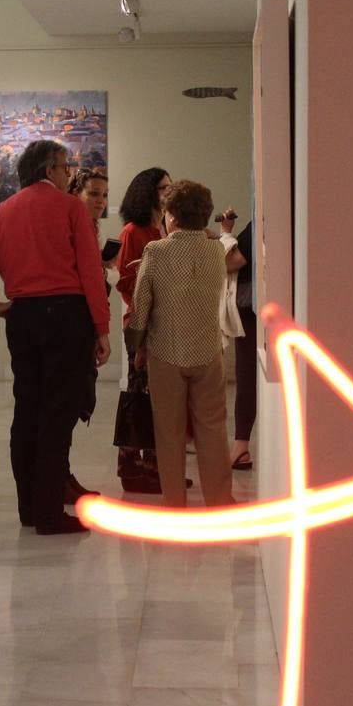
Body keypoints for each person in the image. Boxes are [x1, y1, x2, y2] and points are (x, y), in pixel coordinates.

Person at [0, 140, 111, 535]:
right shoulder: (71, 208)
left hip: (23, 317)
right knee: (57, 415)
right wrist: (102, 328)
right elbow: (90, 273)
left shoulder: (2, 211)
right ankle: (48, 513)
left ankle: (29, 507)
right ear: (49, 170)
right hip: (66, 316)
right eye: (65, 167)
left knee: (26, 412)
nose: (68, 174)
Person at [126, 180, 236, 509]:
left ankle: (175, 501)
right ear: (205, 215)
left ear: (170, 214)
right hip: (207, 351)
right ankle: (219, 499)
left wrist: (137, 346)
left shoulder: (156, 251)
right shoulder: (216, 250)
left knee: (169, 433)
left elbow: (141, 306)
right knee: (213, 428)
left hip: (166, 352)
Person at [113, 167, 171, 492]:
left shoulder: (161, 227)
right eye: (163, 187)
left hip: (161, 323)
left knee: (157, 399)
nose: (167, 192)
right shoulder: (133, 232)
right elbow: (125, 280)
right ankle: (135, 469)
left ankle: (155, 466)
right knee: (139, 398)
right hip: (140, 323)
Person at [62, 168, 112, 504]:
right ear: (76, 193)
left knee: (73, 402)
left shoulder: (90, 228)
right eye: (93, 193)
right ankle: (59, 476)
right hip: (72, 322)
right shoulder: (71, 227)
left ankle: (62, 475)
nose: (100, 201)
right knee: (66, 404)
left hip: (83, 322)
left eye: (104, 195)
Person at [227, 219, 257, 470]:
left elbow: (233, 261)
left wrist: (225, 234)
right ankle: (240, 447)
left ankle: (240, 446)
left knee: (246, 375)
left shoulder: (258, 223)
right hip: (268, 308)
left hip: (250, 311)